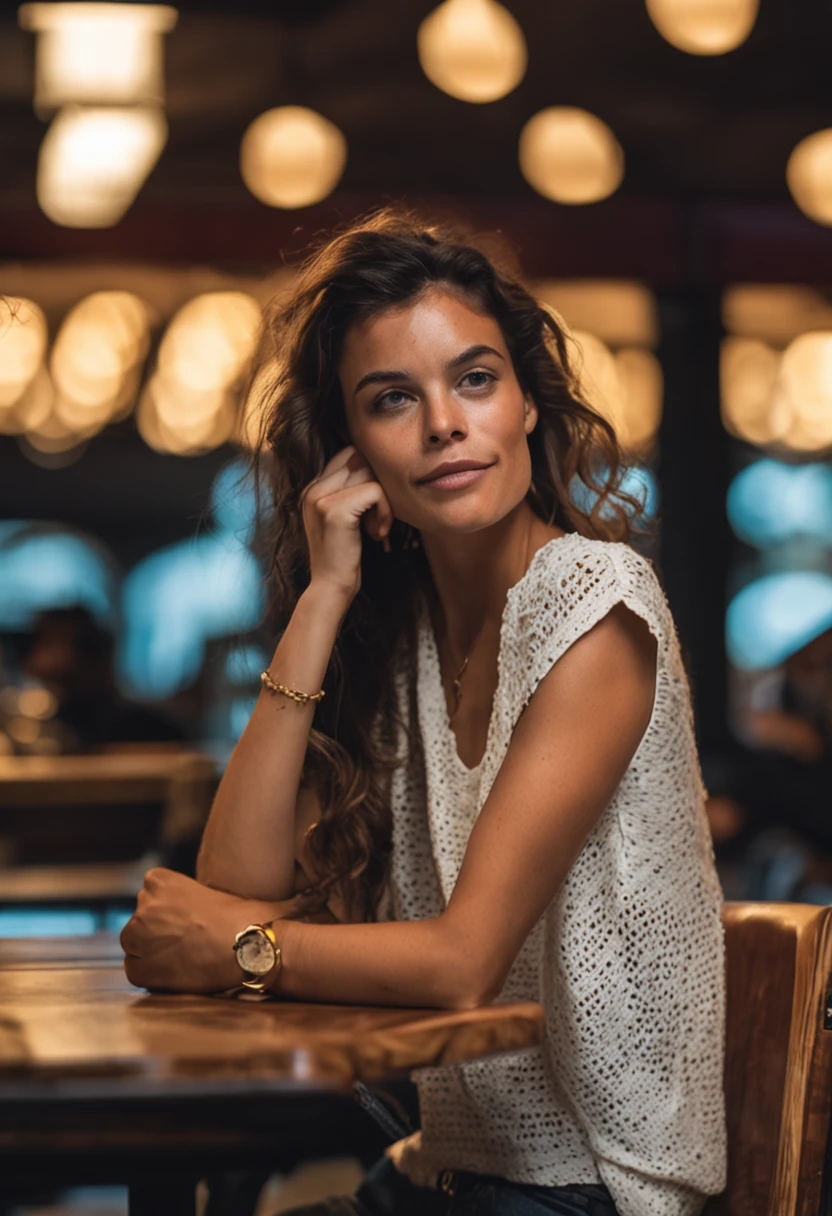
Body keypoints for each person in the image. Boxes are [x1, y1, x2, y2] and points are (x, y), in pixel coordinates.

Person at [120, 208, 727, 1216]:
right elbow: (234, 880)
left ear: (527, 403)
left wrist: (240, 950)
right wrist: (320, 600)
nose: (443, 421)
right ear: (349, 452)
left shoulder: (597, 605)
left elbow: (457, 962)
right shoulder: (404, 637)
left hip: (594, 1191)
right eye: (393, 399)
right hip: (439, 1170)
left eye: (474, 379)